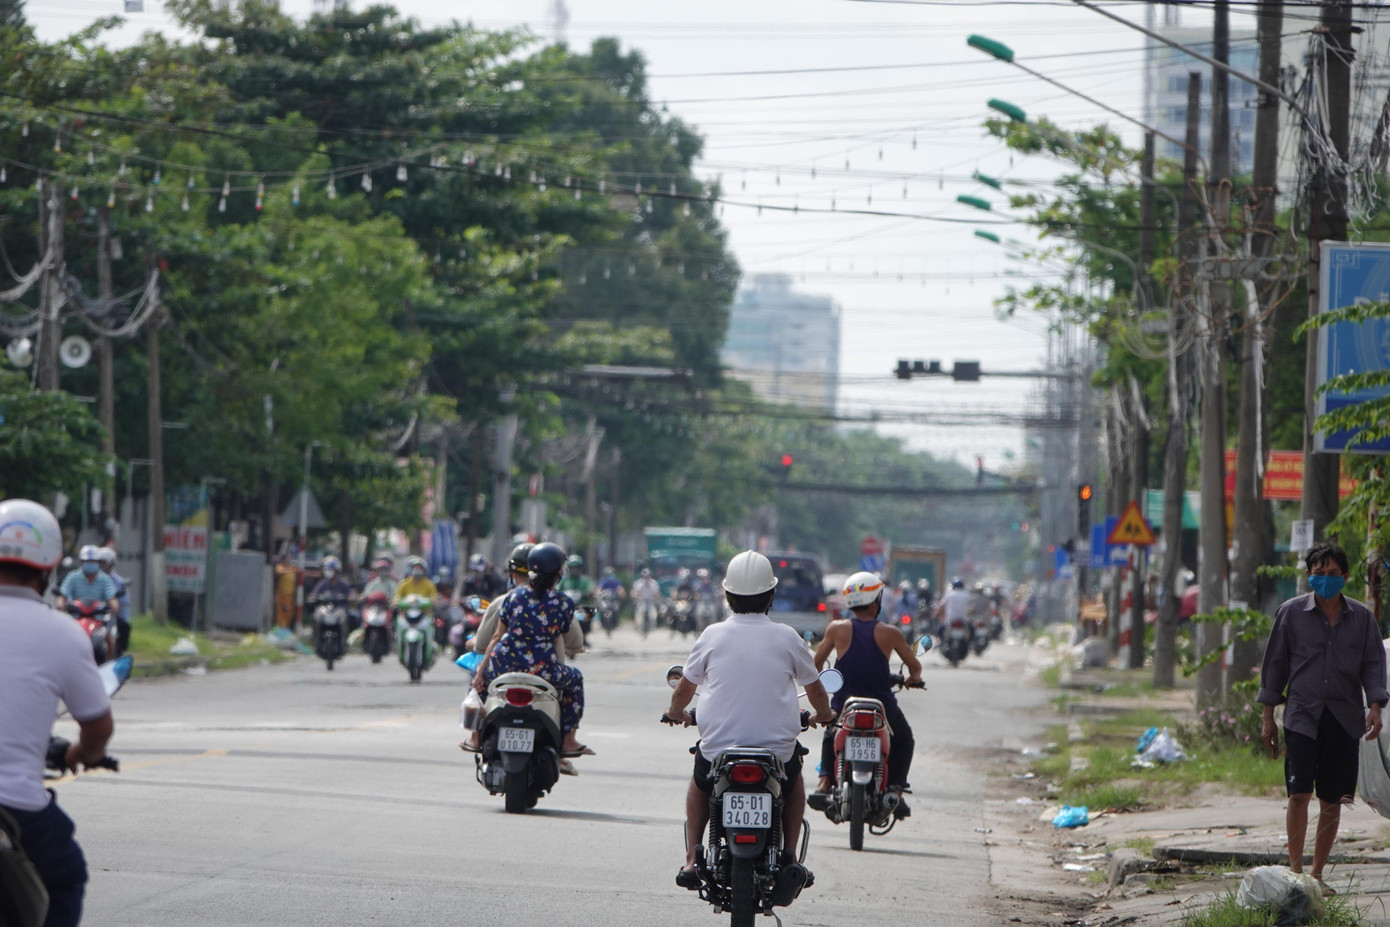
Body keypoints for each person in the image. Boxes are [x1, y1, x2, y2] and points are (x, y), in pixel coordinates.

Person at [663, 550, 835, 896]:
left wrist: (675, 713)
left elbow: (685, 689)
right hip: (776, 751)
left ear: (727, 595)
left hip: (718, 749)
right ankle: (789, 857)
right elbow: (815, 689)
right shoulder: (788, 637)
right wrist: (826, 715)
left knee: (700, 782)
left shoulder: (711, 635)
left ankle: (692, 859)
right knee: (794, 781)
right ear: (771, 595)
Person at [0, 499, 114, 927]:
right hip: (18, 809)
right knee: (65, 878)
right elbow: (98, 726)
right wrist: (78, 755)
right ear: (49, 570)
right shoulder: (63, 634)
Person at [1258, 542, 1387, 893]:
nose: (1326, 580)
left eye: (1332, 574)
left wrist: (1375, 708)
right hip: (1301, 716)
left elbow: (1374, 666)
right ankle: (1296, 874)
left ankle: (1316, 875)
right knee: (1298, 794)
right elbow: (1275, 668)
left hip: (1345, 719)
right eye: (1319, 574)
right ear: (1308, 575)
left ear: (1344, 576)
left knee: (1332, 799)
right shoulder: (1290, 614)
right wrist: (1268, 717)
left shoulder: (1361, 619)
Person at [809, 572, 922, 818]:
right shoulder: (890, 633)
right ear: (875, 601)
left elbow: (814, 666)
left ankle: (825, 783)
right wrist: (912, 679)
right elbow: (915, 668)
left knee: (831, 731)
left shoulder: (836, 629)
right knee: (904, 739)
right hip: (882, 706)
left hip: (844, 704)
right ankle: (895, 787)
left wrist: (820, 681)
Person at [472, 542, 591, 756]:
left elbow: (496, 637)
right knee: (575, 679)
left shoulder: (512, 598)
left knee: (477, 683)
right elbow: (562, 637)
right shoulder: (563, 603)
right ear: (557, 573)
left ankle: (474, 735)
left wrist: (480, 673)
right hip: (542, 669)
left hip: (503, 663)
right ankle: (569, 740)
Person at [55, 546, 120, 619]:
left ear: (98, 562)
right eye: (87, 561)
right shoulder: (72, 577)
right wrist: (61, 604)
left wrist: (114, 606)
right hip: (76, 619)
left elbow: (111, 596)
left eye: (93, 561)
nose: (90, 564)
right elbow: (64, 593)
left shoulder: (105, 579)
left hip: (99, 620)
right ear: (82, 562)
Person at [96, 547, 130, 656]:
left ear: (111, 564)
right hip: (91, 614)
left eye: (104, 563)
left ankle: (118, 655)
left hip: (110, 616)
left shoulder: (119, 583)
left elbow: (124, 605)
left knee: (124, 626)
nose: (101, 566)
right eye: (99, 562)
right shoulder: (88, 579)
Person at [632, 568, 662, 637]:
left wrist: (656, 596)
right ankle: (638, 627)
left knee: (653, 615)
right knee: (639, 615)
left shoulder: (654, 583)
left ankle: (652, 627)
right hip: (641, 600)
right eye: (645, 576)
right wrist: (635, 595)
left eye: (648, 576)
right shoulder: (638, 583)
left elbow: (657, 593)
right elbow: (634, 592)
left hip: (650, 601)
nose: (646, 578)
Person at [273, 552, 299, 629]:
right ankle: (280, 628)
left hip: (290, 595)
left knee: (289, 613)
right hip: (282, 594)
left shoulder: (293, 569)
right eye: (287, 558)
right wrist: (289, 570)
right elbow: (279, 572)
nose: (289, 560)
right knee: (281, 612)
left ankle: (286, 628)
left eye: (290, 558)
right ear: (284, 559)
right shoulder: (280, 567)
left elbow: (301, 572)